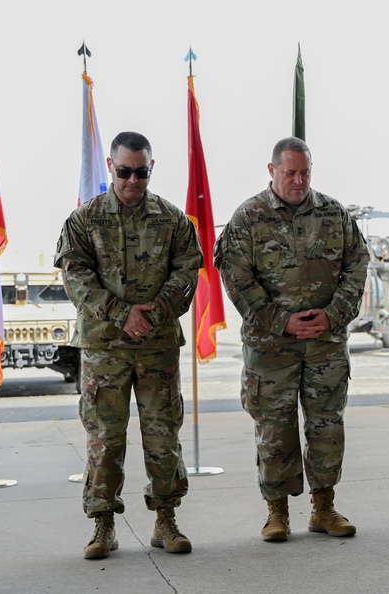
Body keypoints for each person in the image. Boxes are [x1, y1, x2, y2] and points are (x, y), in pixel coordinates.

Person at [214, 137, 369, 542]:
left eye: (305, 172)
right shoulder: (248, 217)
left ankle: (324, 508)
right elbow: (236, 277)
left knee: (326, 426)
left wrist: (333, 315)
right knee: (274, 429)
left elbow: (357, 264)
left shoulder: (334, 213)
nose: (299, 181)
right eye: (290, 173)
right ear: (272, 171)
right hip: (271, 347)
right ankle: (277, 512)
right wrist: (280, 321)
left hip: (325, 343)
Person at [55, 131, 202, 559]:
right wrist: (123, 314)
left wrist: (152, 312)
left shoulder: (173, 220)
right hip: (106, 349)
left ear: (151, 169)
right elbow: (76, 277)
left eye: (141, 172)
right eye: (125, 172)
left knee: (162, 436)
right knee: (105, 437)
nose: (133, 181)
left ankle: (165, 519)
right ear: (110, 167)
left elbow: (188, 272)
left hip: (156, 347)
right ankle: (103, 525)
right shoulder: (84, 220)